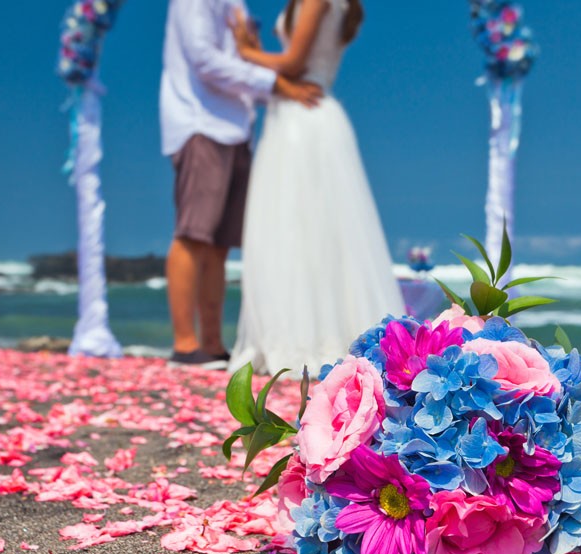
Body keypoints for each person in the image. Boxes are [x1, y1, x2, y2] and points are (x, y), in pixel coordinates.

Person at [229, 0, 405, 375]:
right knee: (320, 235)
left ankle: (300, 340)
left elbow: (293, 63)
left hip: (301, 121)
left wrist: (246, 52)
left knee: (294, 231)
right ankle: (321, 337)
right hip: (309, 115)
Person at [160, 0, 323, 367]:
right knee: (193, 233)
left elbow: (240, 61)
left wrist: (271, 87)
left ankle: (213, 343)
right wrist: (276, 84)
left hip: (236, 127)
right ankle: (185, 344)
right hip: (202, 121)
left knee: (219, 244)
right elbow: (203, 59)